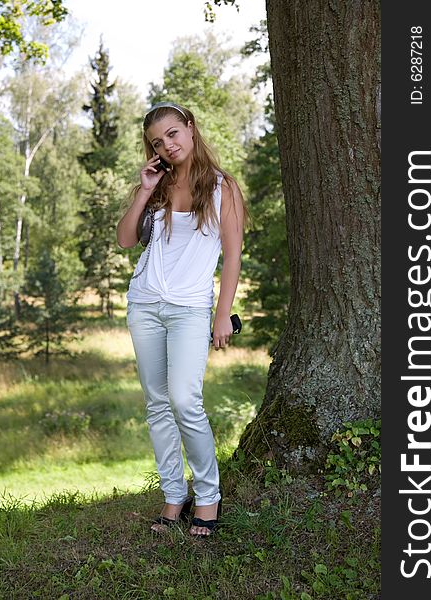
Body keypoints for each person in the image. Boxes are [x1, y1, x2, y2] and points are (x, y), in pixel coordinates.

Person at [116, 101, 248, 537]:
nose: (168, 145)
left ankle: (208, 496)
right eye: (158, 142)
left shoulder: (222, 187)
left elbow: (232, 256)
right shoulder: (157, 185)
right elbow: (124, 240)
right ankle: (174, 495)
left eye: (173, 134)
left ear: (190, 128)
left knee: (185, 401)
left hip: (191, 307)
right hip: (145, 304)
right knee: (157, 404)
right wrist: (142, 190)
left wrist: (222, 313)